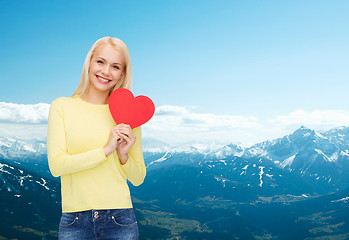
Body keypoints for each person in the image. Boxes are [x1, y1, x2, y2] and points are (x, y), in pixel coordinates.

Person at [47, 36, 146, 240]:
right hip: (75, 221)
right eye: (100, 62)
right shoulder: (62, 107)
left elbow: (138, 178)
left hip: (121, 219)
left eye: (115, 66)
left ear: (123, 73)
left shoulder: (129, 114)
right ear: (89, 62)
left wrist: (123, 155)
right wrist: (106, 150)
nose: (106, 72)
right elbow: (56, 166)